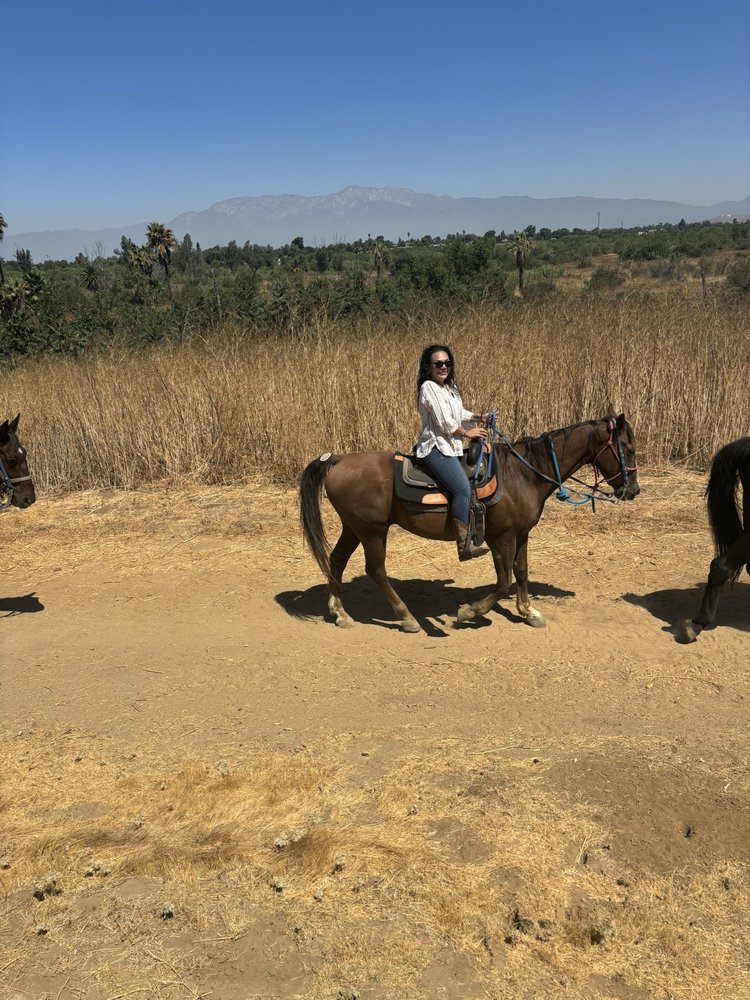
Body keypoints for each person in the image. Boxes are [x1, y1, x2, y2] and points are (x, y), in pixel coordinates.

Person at [415, 344, 489, 560]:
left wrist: (479, 417)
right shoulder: (428, 387)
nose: (444, 367)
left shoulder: (450, 387)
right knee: (462, 489)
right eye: (438, 364)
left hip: (452, 447)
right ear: (428, 367)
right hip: (436, 448)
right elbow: (445, 423)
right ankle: (463, 543)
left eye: (447, 363)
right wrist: (469, 433)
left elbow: (458, 412)